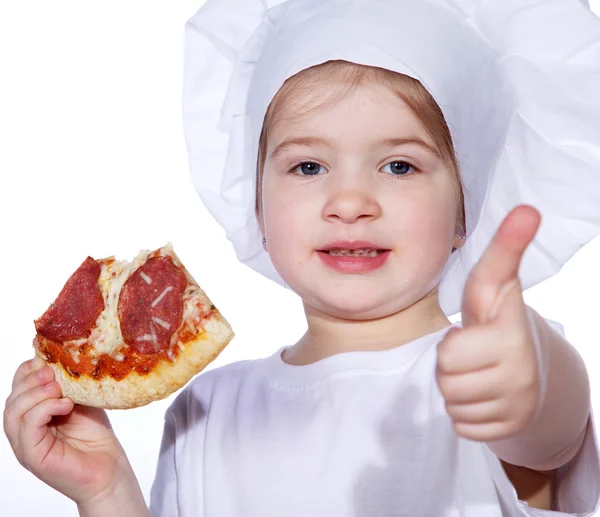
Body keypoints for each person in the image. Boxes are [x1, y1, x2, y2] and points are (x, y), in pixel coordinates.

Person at [4, 0, 600, 515]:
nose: (349, 201)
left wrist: (538, 379)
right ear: (257, 209)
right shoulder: (206, 412)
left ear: (466, 212)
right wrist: (106, 493)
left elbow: (549, 429)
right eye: (308, 166)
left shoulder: (492, 370)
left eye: (399, 165)